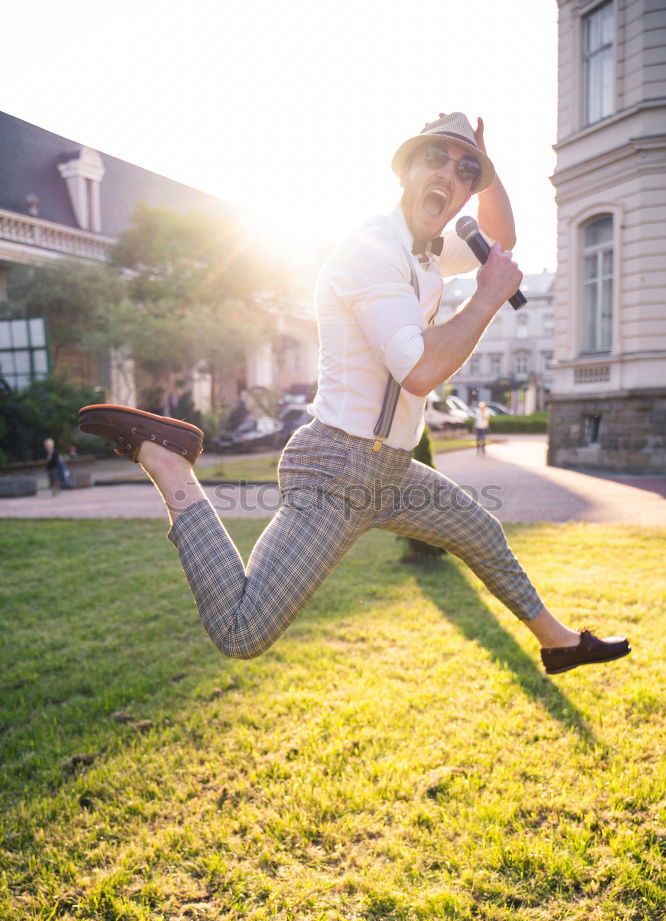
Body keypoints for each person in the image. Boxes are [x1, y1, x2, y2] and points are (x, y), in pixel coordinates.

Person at [78, 111, 630, 674]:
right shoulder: (372, 251)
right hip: (339, 469)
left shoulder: (433, 248)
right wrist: (486, 300)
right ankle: (171, 467)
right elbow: (417, 371)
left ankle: (560, 643)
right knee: (241, 631)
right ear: (406, 171)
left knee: (480, 532)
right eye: (435, 158)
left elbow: (504, 236)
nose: (449, 174)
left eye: (464, 171)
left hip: (388, 470)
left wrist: (487, 168)